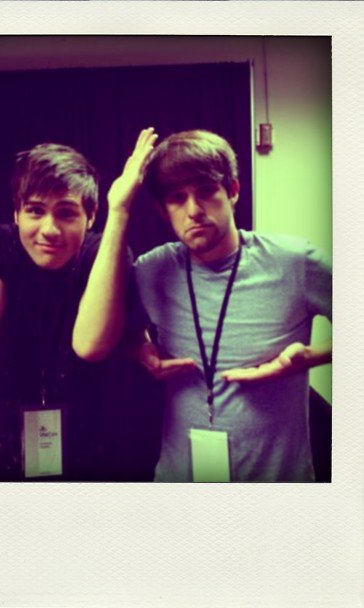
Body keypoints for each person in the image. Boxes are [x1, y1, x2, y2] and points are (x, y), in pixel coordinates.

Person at [0, 123, 156, 481]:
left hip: (84, 458)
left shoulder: (100, 251)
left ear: (91, 216)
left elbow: (90, 345)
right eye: (36, 211)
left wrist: (120, 213)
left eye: (67, 213)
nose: (49, 230)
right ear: (17, 214)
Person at [127, 129, 332, 482]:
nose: (194, 210)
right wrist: (139, 347)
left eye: (206, 191)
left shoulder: (294, 262)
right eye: (177, 198)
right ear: (163, 210)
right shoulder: (152, 270)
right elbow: (111, 334)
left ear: (233, 191)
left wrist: (308, 358)